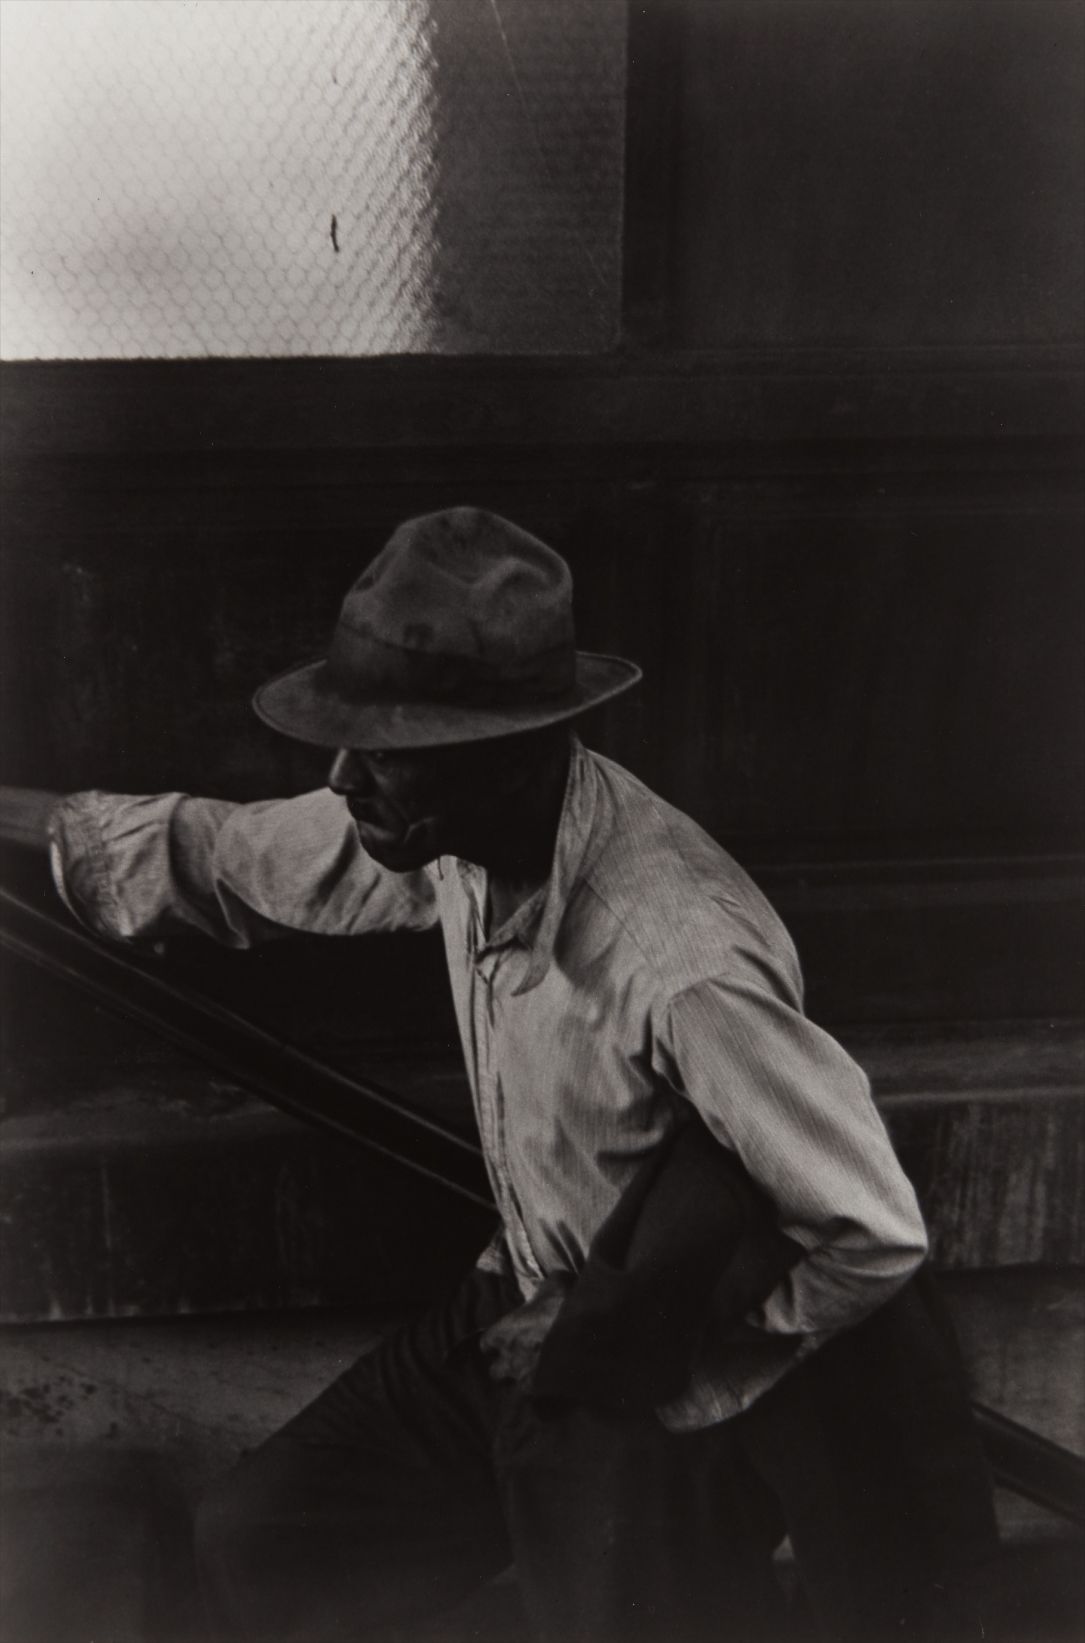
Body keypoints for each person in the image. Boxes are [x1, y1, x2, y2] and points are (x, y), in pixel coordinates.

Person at [9, 507, 997, 1641]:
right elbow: (224, 852)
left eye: (379, 746)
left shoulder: (677, 957)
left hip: (641, 1359)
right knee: (266, 1539)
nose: (342, 779)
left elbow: (866, 1227)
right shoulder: (453, 833)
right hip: (516, 1295)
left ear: (508, 749)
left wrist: (641, 1342)